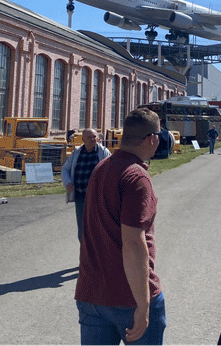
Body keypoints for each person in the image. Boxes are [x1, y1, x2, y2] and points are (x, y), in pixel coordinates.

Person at [74, 108, 166, 345]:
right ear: (151, 139)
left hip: (91, 294)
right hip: (127, 297)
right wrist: (144, 305)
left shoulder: (101, 168)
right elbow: (134, 244)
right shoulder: (136, 178)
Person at [61, 128, 111, 241]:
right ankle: (85, 255)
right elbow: (65, 169)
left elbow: (111, 171)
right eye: (90, 137)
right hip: (80, 197)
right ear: (83, 139)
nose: (93, 139)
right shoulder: (77, 153)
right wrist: (68, 183)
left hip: (97, 198)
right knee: (82, 231)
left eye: (95, 137)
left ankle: (97, 255)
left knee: (98, 229)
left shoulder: (103, 152)